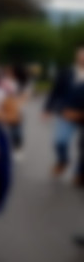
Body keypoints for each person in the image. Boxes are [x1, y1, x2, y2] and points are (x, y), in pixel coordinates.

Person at [44, 47, 84, 178]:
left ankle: (80, 172)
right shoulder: (66, 72)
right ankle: (63, 160)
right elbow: (55, 92)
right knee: (60, 141)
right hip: (67, 113)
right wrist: (48, 109)